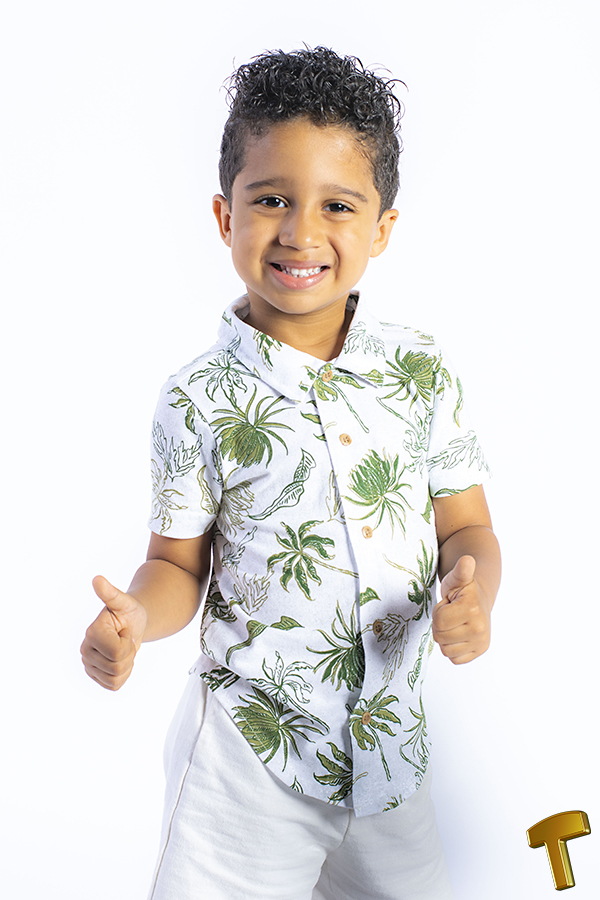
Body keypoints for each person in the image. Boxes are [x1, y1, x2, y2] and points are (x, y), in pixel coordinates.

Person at [81, 47, 501, 900]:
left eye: (337, 205)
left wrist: (475, 594)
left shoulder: (420, 372)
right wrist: (137, 618)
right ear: (224, 215)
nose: (301, 232)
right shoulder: (199, 400)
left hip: (392, 755)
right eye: (271, 199)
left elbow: (468, 528)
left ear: (381, 228)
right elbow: (176, 568)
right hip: (247, 766)